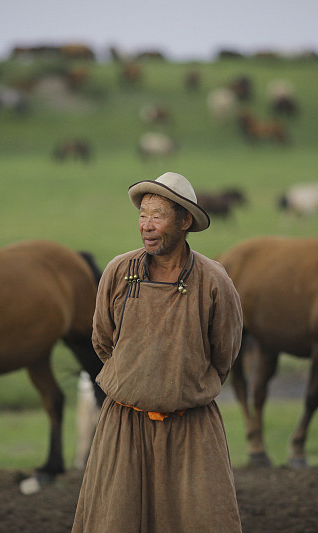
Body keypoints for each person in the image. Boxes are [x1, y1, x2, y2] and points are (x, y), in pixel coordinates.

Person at [72, 172, 244, 532]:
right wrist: (138, 382)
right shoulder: (119, 272)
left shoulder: (213, 280)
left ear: (184, 221)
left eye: (158, 216)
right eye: (142, 215)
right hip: (124, 428)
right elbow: (103, 341)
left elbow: (224, 354)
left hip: (192, 432)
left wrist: (178, 388)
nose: (147, 226)